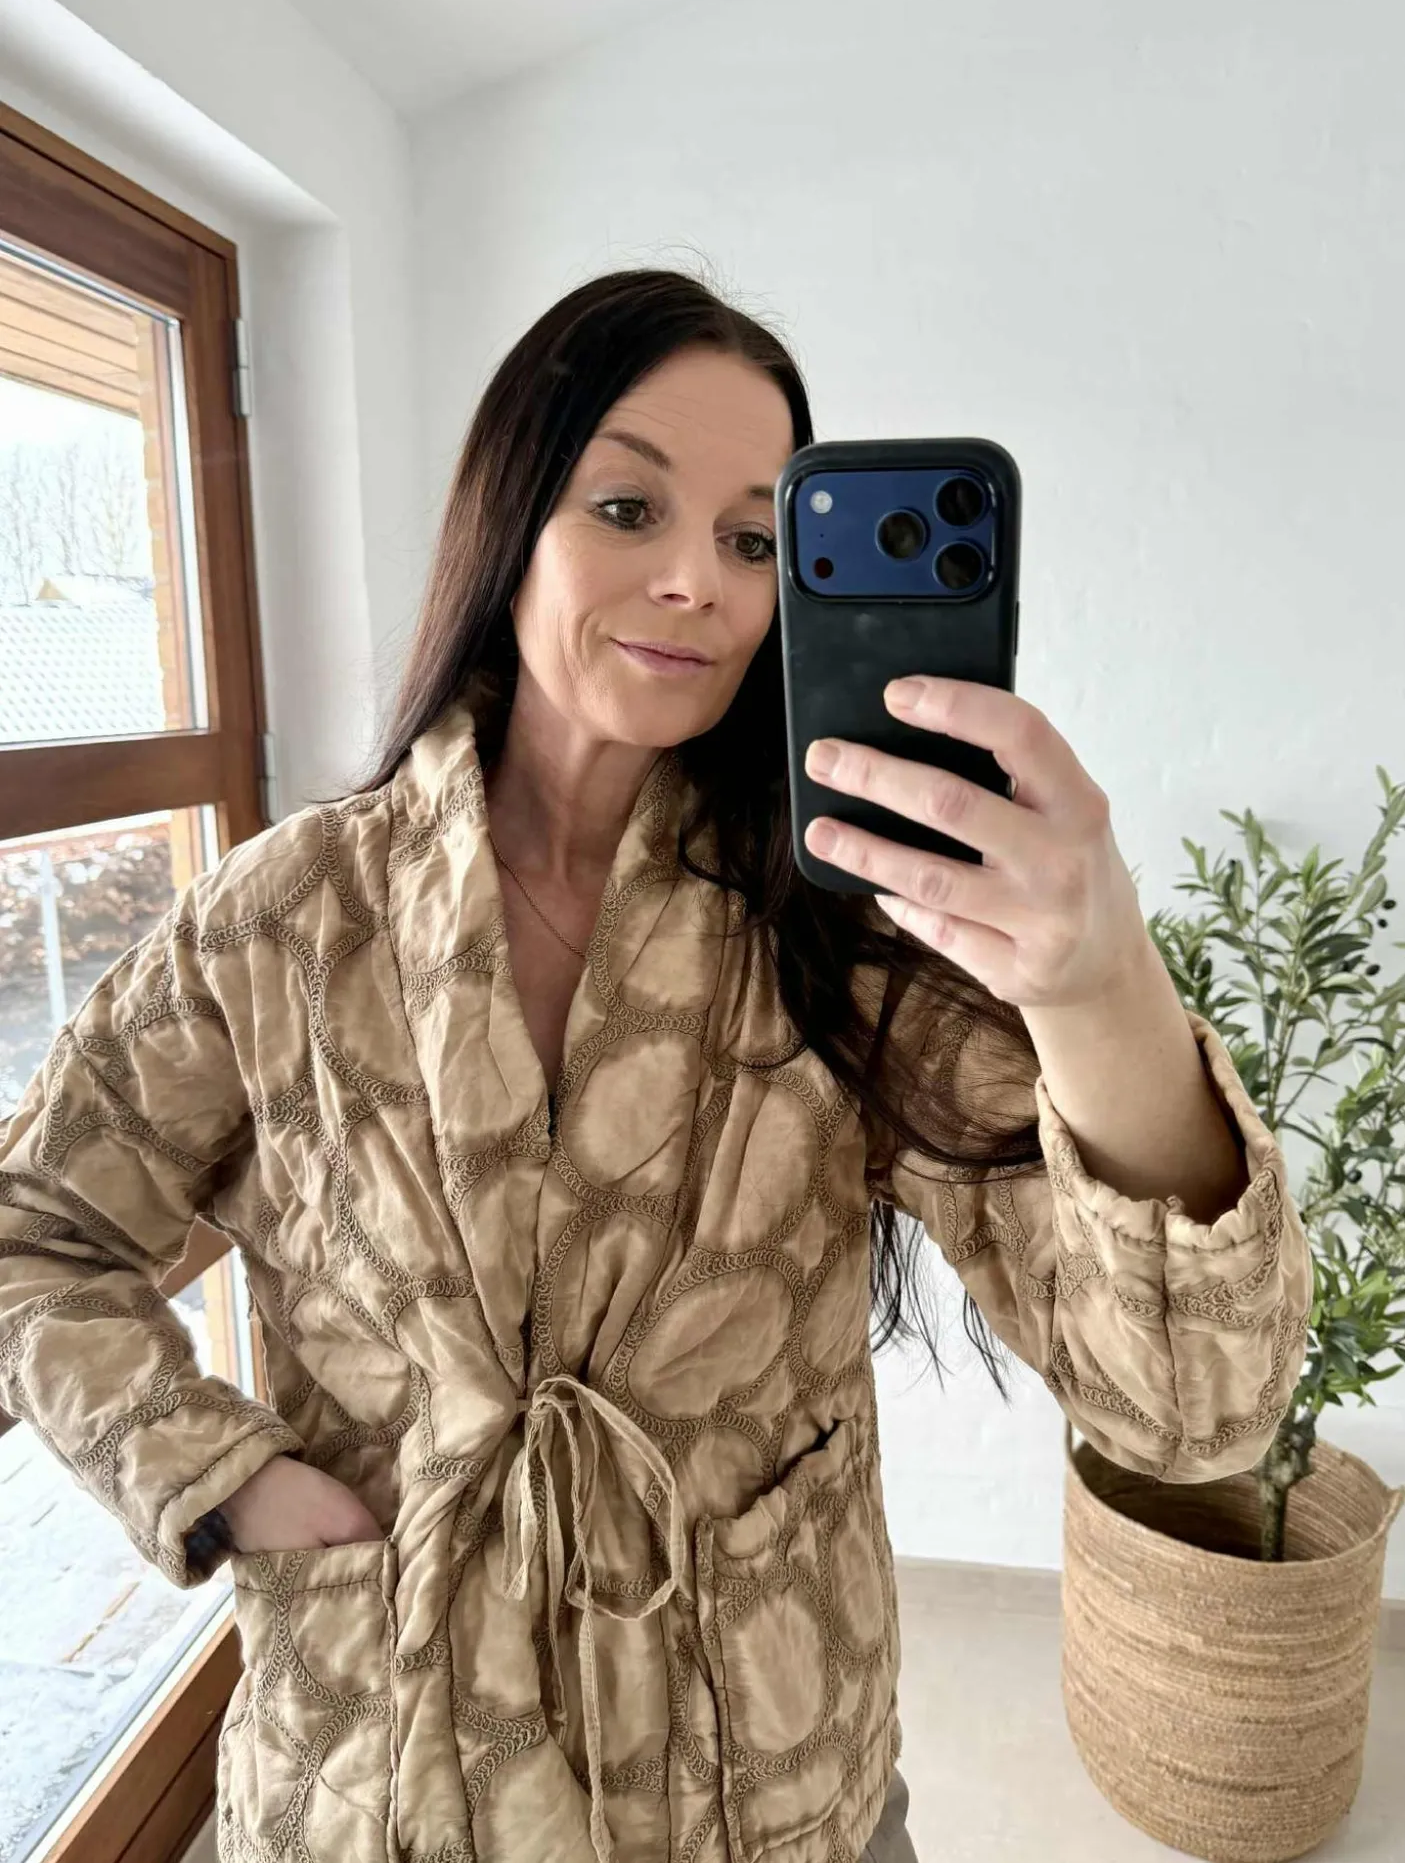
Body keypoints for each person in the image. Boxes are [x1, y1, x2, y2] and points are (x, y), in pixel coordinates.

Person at [0, 268, 1311, 1863]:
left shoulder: (846, 928)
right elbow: (30, 1233)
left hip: (765, 1786)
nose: (697, 580)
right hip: (383, 1773)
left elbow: (1192, 1405)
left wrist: (1099, 987)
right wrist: (219, 1475)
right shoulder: (285, 919)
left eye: (757, 541)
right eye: (628, 508)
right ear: (509, 525)